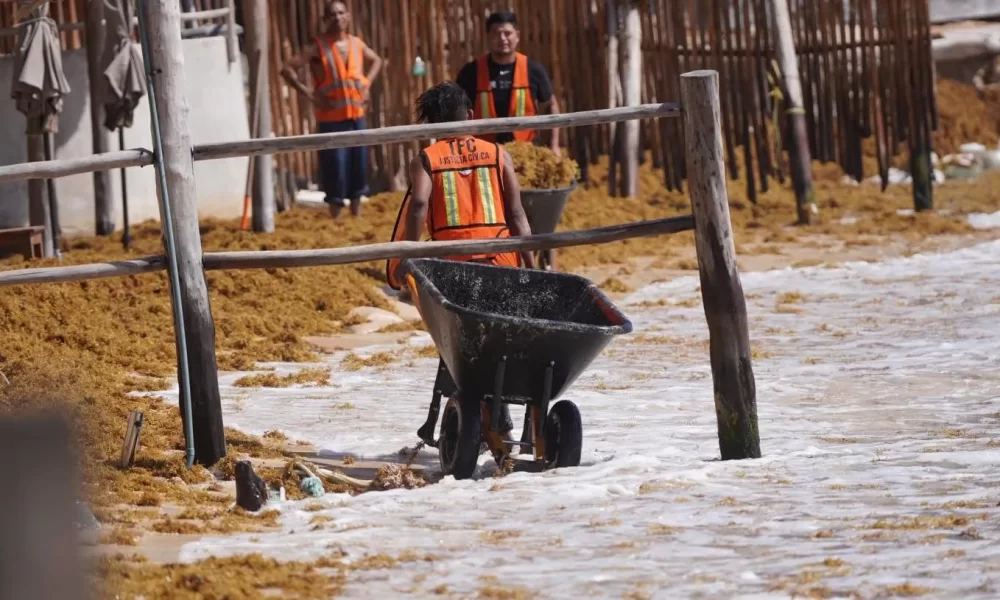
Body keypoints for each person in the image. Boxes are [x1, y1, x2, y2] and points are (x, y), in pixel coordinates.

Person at [386, 81, 535, 451]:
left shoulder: (426, 159)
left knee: (462, 346)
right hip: (502, 262)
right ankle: (499, 419)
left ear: (433, 125)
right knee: (500, 340)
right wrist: (533, 266)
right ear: (470, 116)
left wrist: (408, 252)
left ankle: (475, 418)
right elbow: (517, 214)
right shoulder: (497, 153)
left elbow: (419, 206)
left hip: (455, 270)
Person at [280, 0, 383, 218]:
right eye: (332, 14)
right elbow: (287, 69)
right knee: (335, 167)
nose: (337, 17)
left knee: (358, 164)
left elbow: (377, 61)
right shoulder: (318, 46)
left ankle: (356, 215)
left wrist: (366, 84)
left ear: (348, 16)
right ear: (325, 20)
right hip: (331, 119)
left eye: (341, 13)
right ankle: (335, 218)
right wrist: (309, 94)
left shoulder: (357, 44)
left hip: (357, 116)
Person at [455, 10, 562, 156]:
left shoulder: (533, 69)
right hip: (483, 154)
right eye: (496, 33)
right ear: (488, 37)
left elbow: (551, 105)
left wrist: (554, 144)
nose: (502, 38)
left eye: (507, 33)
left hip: (525, 153)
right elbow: (455, 111)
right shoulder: (470, 72)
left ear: (517, 36)